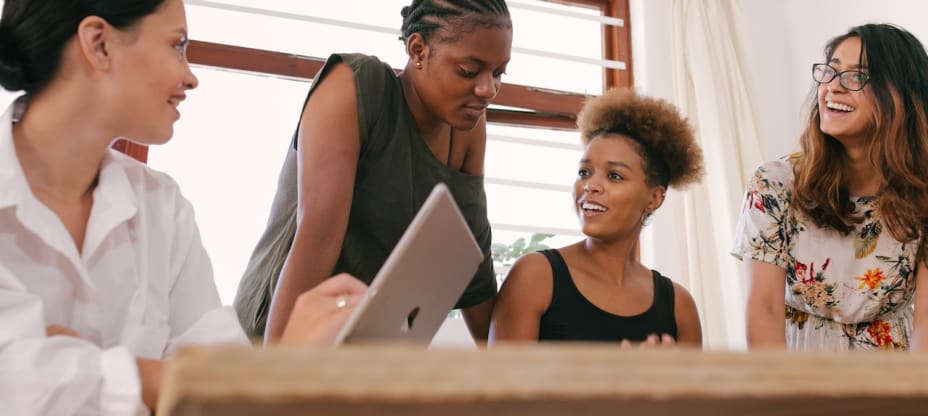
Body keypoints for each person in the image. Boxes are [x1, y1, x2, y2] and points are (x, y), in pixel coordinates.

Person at [0, 1, 366, 414]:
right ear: (99, 44)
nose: (190, 76)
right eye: (177, 45)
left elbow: (220, 393)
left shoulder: (162, 206)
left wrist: (78, 362)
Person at [234, 0, 513, 342]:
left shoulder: (468, 126)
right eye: (469, 71)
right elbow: (319, 239)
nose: (488, 90)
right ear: (418, 50)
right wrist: (276, 371)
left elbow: (475, 260)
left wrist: (515, 369)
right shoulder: (354, 85)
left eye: (498, 72)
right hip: (279, 334)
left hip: (369, 343)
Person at [734, 23, 928, 351]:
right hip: (796, 372)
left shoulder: (922, 193)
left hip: (896, 377)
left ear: (900, 95)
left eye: (857, 76)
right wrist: (780, 397)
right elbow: (763, 308)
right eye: (831, 72)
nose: (833, 88)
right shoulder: (774, 185)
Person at [489, 88, 704, 346]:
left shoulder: (679, 307)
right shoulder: (535, 277)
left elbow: (693, 388)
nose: (591, 185)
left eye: (614, 176)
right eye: (584, 172)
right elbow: (500, 385)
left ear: (654, 198)